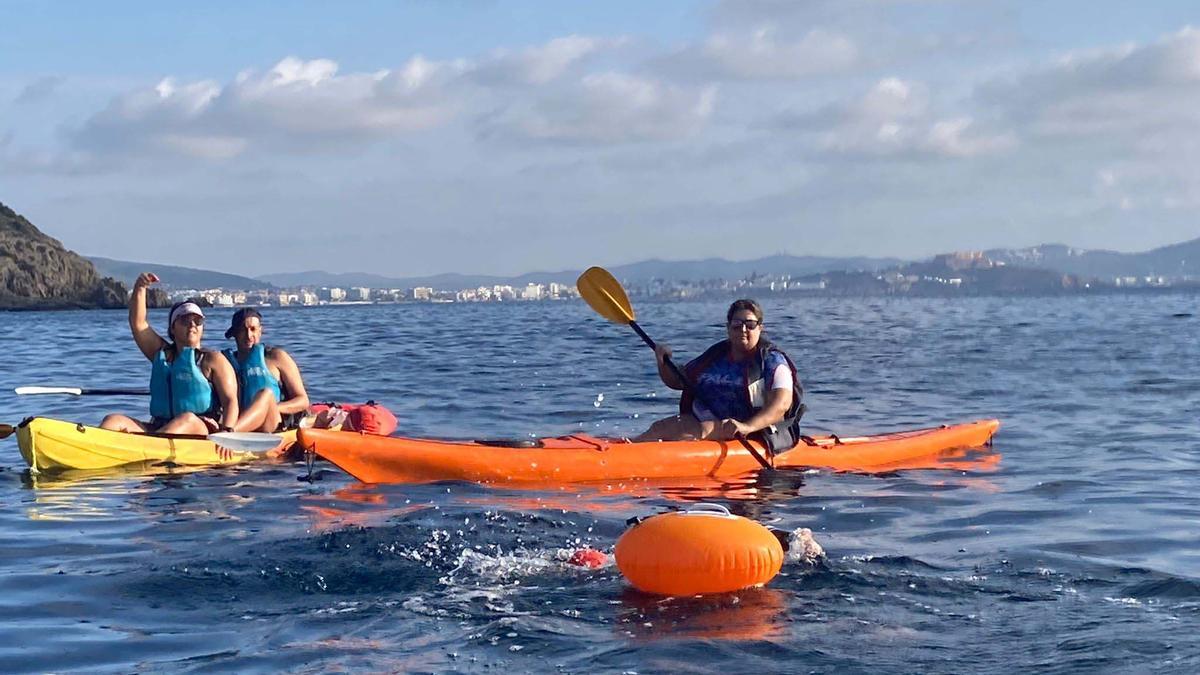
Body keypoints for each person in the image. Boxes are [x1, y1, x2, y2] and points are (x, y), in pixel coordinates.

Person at [635, 298, 805, 453]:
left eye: (750, 324)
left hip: (753, 431)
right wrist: (662, 361)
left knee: (686, 431)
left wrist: (746, 427)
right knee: (660, 428)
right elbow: (678, 382)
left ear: (760, 327)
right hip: (710, 423)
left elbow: (780, 405)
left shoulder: (773, 361)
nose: (743, 330)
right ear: (728, 328)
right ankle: (626, 448)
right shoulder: (716, 355)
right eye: (737, 325)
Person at [100, 273, 239, 434]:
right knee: (113, 420)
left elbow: (230, 401)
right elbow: (138, 323)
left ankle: (150, 445)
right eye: (185, 320)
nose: (192, 324)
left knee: (186, 419)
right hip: (160, 427)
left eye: (198, 321)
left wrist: (227, 432)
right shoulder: (161, 354)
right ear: (172, 328)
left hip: (199, 427)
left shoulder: (213, 360)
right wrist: (140, 287)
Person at [221, 307, 310, 433]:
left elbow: (303, 401)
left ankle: (230, 434)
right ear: (234, 333)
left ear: (260, 331)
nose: (248, 335)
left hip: (272, 423)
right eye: (242, 330)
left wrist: (271, 407)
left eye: (253, 329)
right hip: (239, 420)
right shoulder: (225, 363)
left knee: (266, 395)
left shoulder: (276, 357)